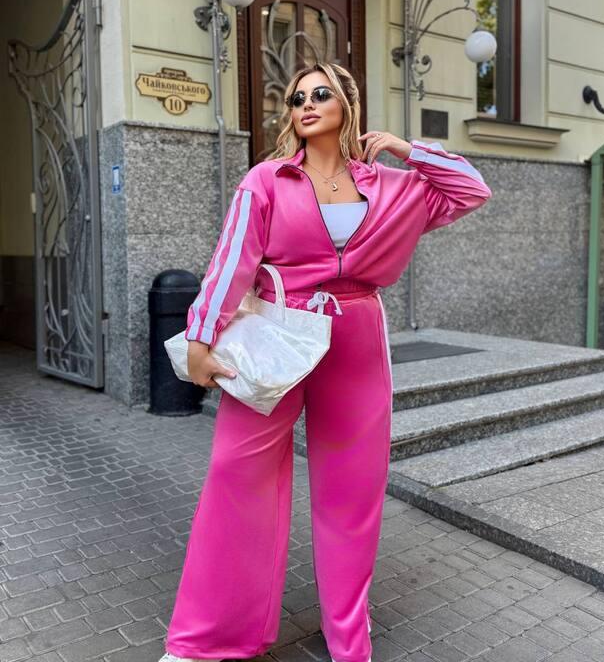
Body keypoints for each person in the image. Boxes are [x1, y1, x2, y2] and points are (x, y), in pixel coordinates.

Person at [160, 62, 492, 662]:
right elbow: (232, 259)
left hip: (357, 337)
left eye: (320, 93)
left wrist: (407, 150)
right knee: (236, 475)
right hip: (278, 331)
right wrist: (201, 337)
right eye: (296, 98)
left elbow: (471, 189)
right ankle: (205, 641)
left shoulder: (393, 185)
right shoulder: (267, 179)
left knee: (352, 492)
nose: (306, 104)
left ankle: (349, 641)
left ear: (347, 103)